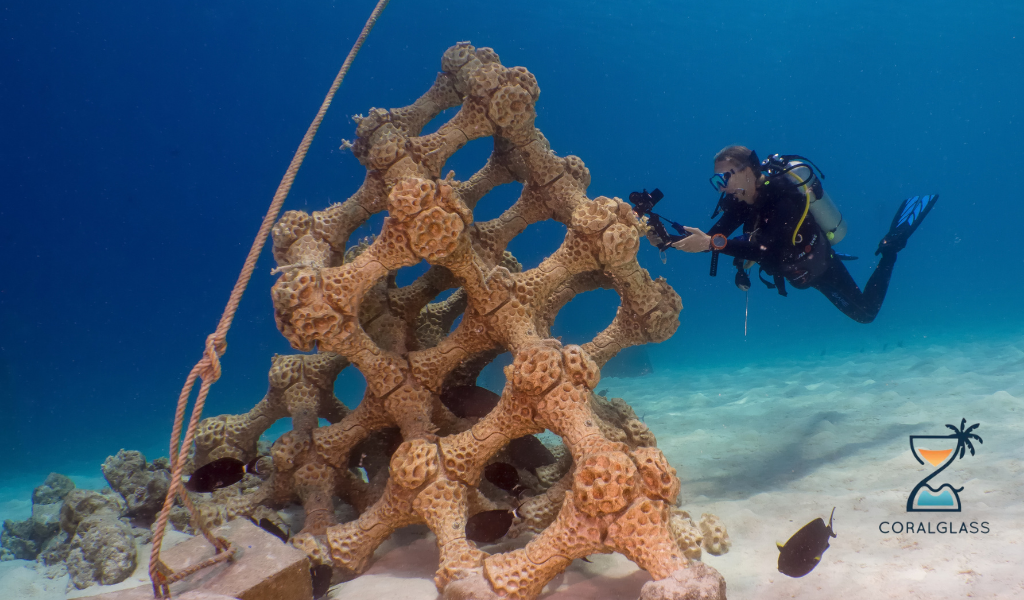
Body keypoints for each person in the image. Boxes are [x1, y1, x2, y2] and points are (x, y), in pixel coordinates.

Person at [668, 145, 937, 324]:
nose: (721, 187)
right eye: (717, 181)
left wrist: (714, 243)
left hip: (818, 265)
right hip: (794, 271)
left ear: (748, 171)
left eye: (724, 177)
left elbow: (766, 251)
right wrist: (667, 238)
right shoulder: (741, 200)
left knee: (866, 313)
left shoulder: (784, 197)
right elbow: (711, 237)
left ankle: (891, 247)